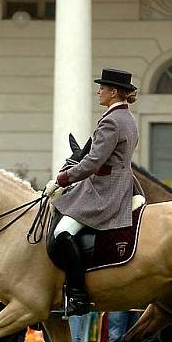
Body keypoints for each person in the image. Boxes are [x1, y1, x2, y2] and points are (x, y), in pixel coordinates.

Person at [43, 68, 142, 317]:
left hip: (104, 191)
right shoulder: (128, 118)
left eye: (102, 88)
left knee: (62, 232)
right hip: (122, 185)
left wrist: (62, 179)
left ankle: (78, 295)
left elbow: (92, 163)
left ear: (113, 92)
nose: (98, 91)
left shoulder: (111, 121)